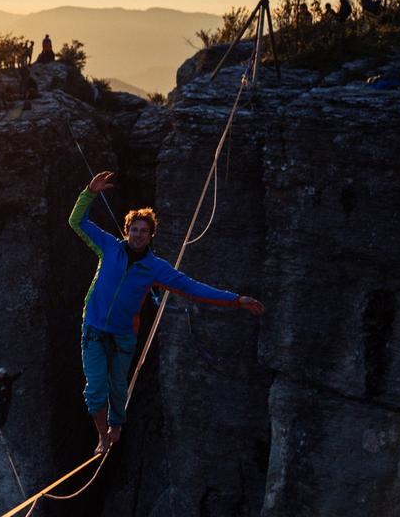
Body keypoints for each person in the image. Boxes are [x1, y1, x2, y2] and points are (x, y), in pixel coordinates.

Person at [69, 171, 265, 455]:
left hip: (123, 335)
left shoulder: (156, 268)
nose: (138, 235)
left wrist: (236, 300)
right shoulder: (109, 247)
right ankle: (103, 436)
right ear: (126, 230)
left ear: (151, 236)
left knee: (118, 388)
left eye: (144, 231)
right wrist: (90, 192)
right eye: (134, 229)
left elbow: (192, 288)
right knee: (96, 390)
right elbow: (77, 221)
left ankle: (116, 426)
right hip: (94, 329)